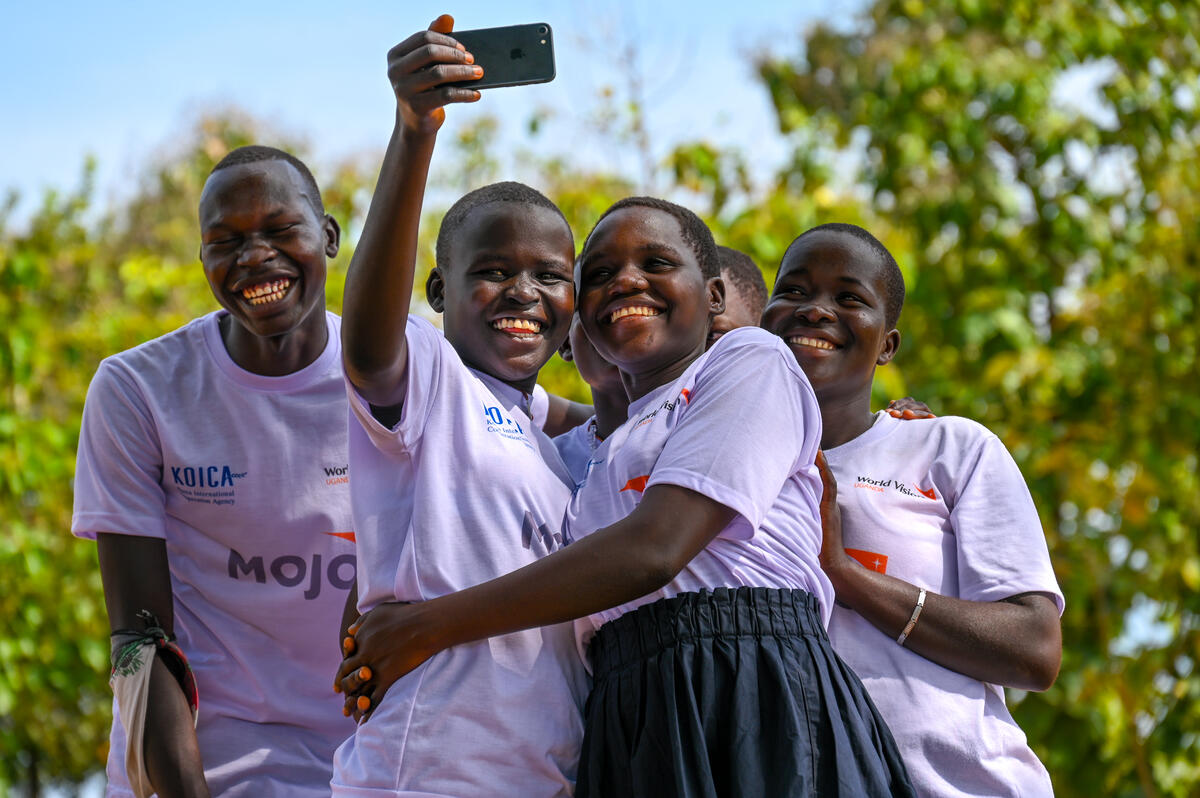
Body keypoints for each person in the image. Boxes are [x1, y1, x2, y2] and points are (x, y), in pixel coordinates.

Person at [339, 195, 916, 797]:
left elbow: (655, 549)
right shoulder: (583, 457)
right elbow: (472, 451)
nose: (629, 281)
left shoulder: (751, 359)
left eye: (657, 262)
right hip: (624, 706)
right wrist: (375, 605)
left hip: (748, 678)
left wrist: (427, 626)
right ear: (580, 316)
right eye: (601, 273)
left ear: (714, 297)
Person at [331, 16, 588, 797]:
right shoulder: (432, 380)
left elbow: (642, 411)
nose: (523, 292)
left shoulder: (555, 439)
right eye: (494, 270)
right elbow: (369, 345)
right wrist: (414, 133)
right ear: (439, 291)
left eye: (550, 275)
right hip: (431, 770)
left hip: (541, 776)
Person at [72, 145, 357, 797]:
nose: (254, 256)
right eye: (224, 241)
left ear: (330, 236)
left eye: (281, 229)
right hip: (199, 775)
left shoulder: (397, 375)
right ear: (203, 262)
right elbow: (140, 640)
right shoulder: (139, 390)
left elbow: (536, 413)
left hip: (362, 770)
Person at [759, 222, 1064, 797]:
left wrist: (844, 575)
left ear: (887, 346)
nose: (816, 310)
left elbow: (1034, 650)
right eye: (794, 291)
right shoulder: (724, 471)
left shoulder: (949, 447)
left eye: (849, 298)